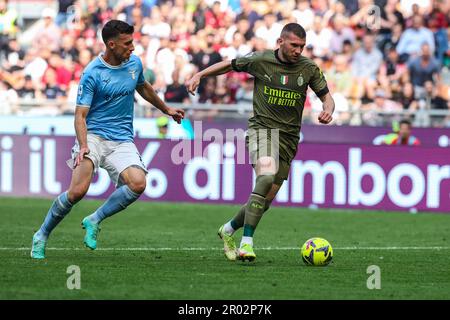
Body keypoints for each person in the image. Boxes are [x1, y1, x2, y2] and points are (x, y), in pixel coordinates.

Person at [30, 20, 185, 259]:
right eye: (127, 43)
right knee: (77, 192)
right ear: (111, 45)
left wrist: (166, 109)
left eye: (132, 41)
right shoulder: (93, 73)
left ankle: (95, 219)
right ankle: (41, 234)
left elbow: (144, 88)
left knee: (137, 183)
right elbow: (80, 116)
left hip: (121, 139)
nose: (132, 47)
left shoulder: (134, 63)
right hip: (93, 136)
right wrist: (83, 146)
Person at [185, 23, 335, 262]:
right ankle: (247, 242)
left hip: (289, 139)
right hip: (262, 130)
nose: (298, 50)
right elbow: (230, 64)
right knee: (265, 176)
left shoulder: (308, 68)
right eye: (294, 45)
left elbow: (327, 97)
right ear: (280, 42)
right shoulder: (261, 60)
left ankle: (228, 230)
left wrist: (328, 111)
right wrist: (199, 75)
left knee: (263, 203)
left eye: (302, 46)